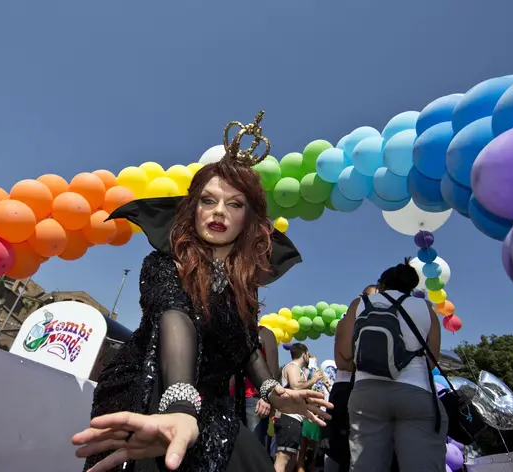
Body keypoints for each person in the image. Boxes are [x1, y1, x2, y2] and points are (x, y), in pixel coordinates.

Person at [72, 112, 332, 472]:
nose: (219, 211)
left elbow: (245, 346)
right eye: (208, 201)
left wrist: (275, 392)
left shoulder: (244, 283)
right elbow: (176, 317)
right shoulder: (165, 262)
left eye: (235, 203)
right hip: (145, 396)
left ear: (249, 219)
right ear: (192, 209)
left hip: (211, 409)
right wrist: (179, 405)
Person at [339, 259, 447, 472]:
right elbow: (432, 361)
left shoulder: (359, 304)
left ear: (382, 284)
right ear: (411, 286)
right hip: (416, 393)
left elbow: (343, 357)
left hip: (366, 395)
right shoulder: (426, 309)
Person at [325, 285, 377, 472]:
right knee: (342, 451)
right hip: (347, 389)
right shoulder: (349, 322)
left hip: (361, 390)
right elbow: (345, 360)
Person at [275, 343, 325, 472]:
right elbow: (296, 386)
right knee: (283, 457)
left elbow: (301, 389)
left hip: (296, 418)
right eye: (308, 355)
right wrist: (313, 380)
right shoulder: (292, 367)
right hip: (288, 417)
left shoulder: (301, 371)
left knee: (292, 458)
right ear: (304, 354)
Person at [231, 325, 279, 446]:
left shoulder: (264, 333)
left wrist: (267, 398)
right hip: (231, 399)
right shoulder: (233, 331)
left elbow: (273, 368)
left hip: (254, 400)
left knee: (252, 446)